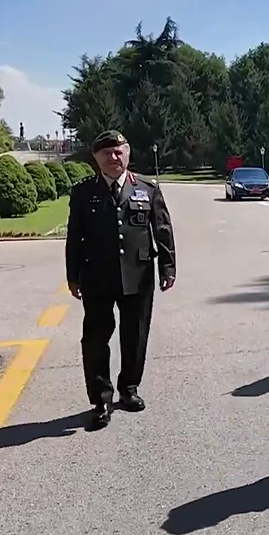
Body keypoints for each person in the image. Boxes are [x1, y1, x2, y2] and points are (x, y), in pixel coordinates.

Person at [65, 130, 176, 430]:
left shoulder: (147, 189)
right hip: (96, 277)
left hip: (138, 275)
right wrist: (72, 275)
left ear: (127, 153)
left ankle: (128, 388)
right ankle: (101, 399)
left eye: (119, 151)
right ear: (96, 158)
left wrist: (168, 267)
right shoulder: (83, 192)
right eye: (106, 153)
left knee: (135, 335)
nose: (113, 157)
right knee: (96, 339)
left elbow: (162, 230)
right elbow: (74, 237)